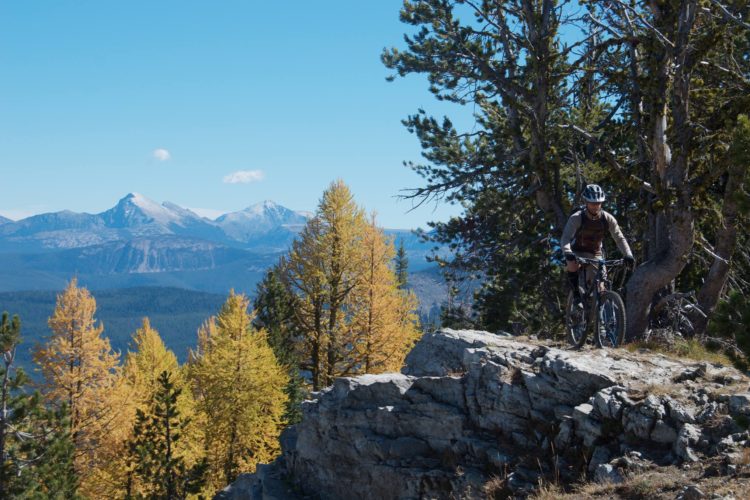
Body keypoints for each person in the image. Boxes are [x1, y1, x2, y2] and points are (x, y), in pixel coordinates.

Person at [560, 184, 635, 304]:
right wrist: (568, 252)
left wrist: (628, 254)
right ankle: (575, 294)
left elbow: (619, 238)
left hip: (595, 253)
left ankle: (600, 315)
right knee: (572, 264)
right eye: (593, 203)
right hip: (577, 250)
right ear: (586, 202)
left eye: (599, 203)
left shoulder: (607, 219)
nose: (596, 206)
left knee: (601, 287)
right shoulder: (577, 218)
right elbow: (566, 238)